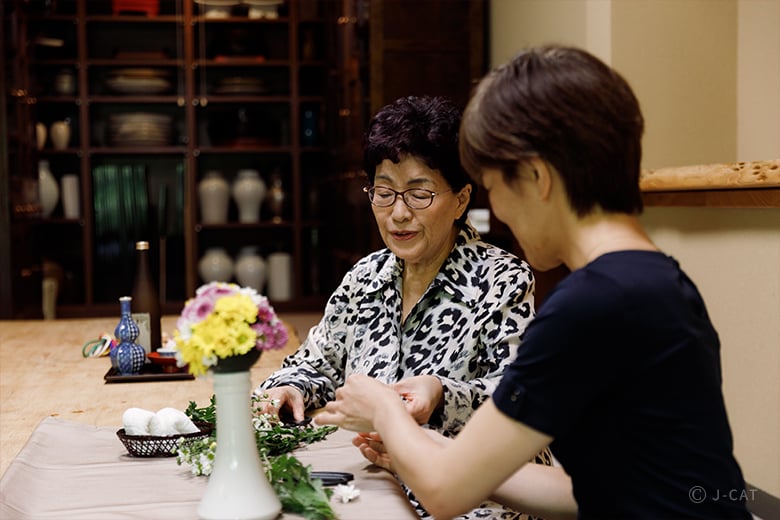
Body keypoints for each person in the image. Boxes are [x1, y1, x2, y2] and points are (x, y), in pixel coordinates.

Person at [316, 46, 752, 520]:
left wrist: (384, 409)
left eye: (495, 186)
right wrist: (431, 448)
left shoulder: (591, 305)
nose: (499, 210)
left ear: (537, 176)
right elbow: (597, 489)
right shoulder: (659, 281)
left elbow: (443, 493)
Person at [255, 95, 552, 519]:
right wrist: (290, 388)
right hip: (373, 489)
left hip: (475, 501)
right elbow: (316, 363)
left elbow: (519, 401)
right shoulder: (365, 277)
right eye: (384, 192)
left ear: (461, 199)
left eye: (419, 194)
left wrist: (442, 395)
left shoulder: (502, 278)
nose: (398, 213)